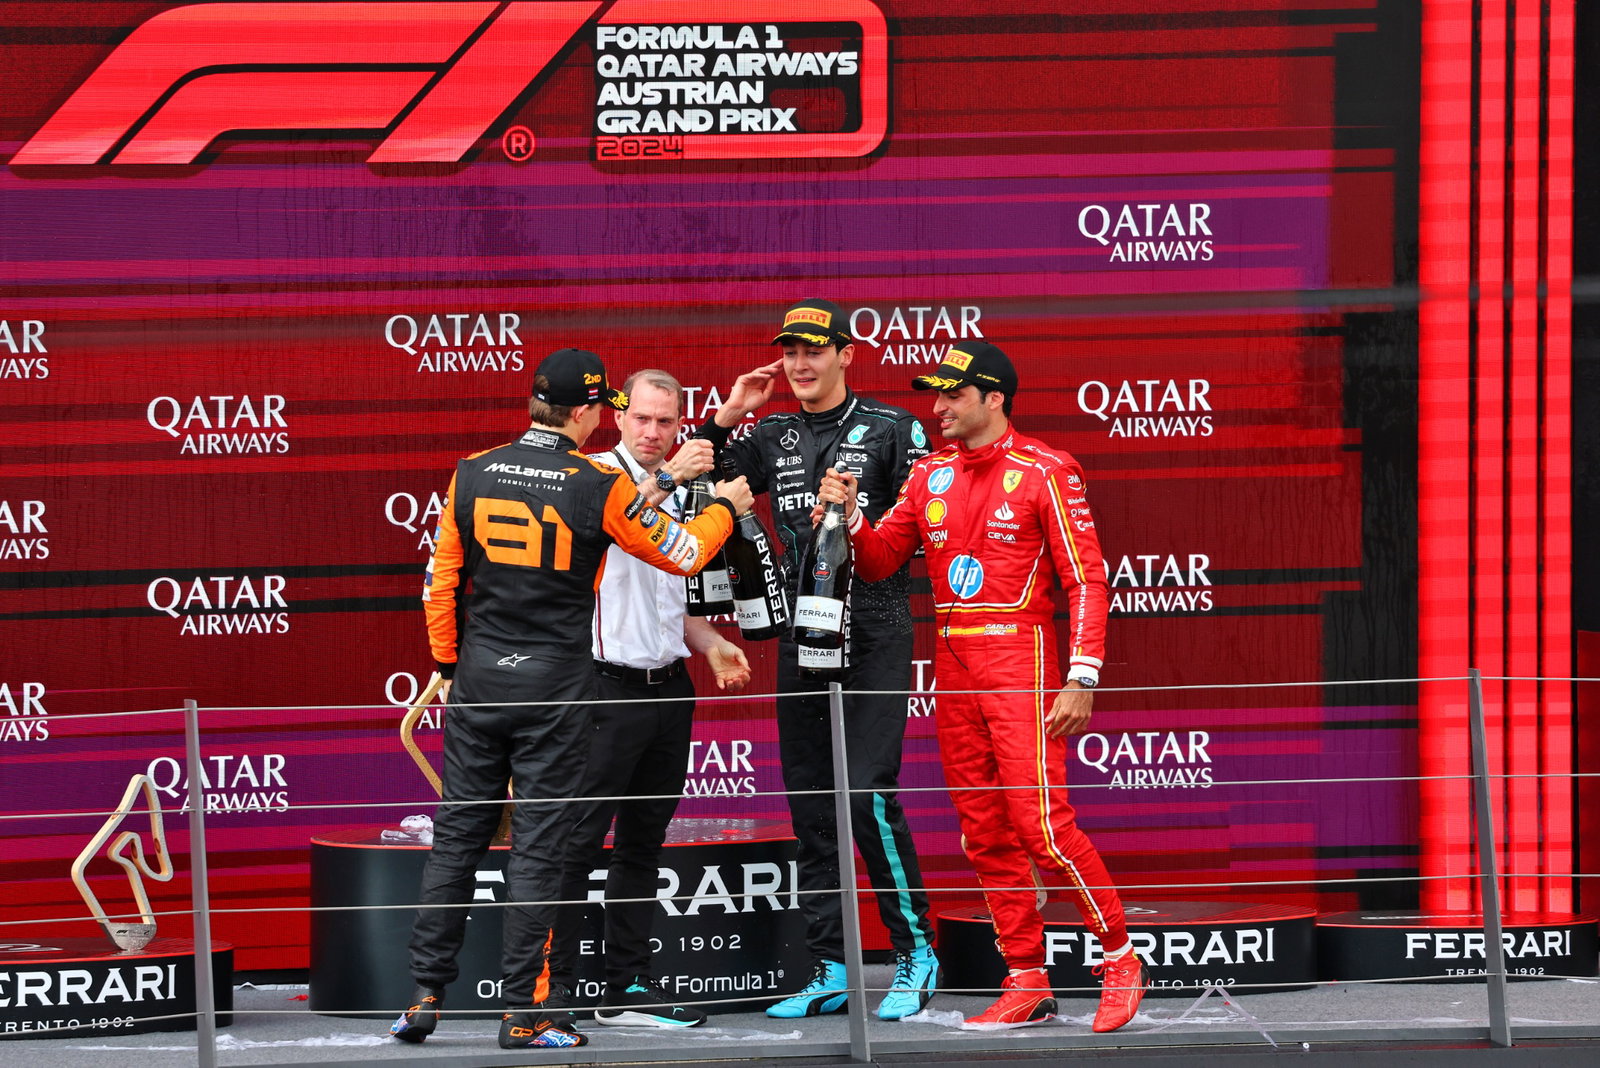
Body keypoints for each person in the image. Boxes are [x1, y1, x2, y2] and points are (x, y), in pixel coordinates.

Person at [391, 348, 752, 1051]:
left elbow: (440, 586)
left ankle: (424, 997)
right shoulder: (594, 482)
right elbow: (680, 552)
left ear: (535, 403)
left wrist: (447, 662)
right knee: (539, 849)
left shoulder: (473, 471)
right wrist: (726, 513)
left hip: (480, 684)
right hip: (557, 689)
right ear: (588, 412)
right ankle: (525, 1012)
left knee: (458, 840)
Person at [815, 340, 1149, 1033]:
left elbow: (1087, 579)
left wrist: (1082, 674)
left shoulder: (1045, 470)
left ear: (993, 398)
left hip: (1022, 657)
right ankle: (1026, 978)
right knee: (984, 833)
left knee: (1043, 828)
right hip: (955, 664)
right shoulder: (929, 475)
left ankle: (1119, 958)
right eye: (935, 396)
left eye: (952, 396)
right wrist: (847, 515)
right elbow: (878, 563)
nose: (937, 408)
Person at [696, 300, 938, 1021]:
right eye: (790, 353)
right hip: (804, 636)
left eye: (814, 351)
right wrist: (725, 414)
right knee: (811, 806)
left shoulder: (894, 428)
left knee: (865, 793)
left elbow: (930, 523)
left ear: (845, 354)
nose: (800, 364)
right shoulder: (771, 433)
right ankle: (832, 964)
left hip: (875, 631)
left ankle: (915, 952)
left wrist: (862, 516)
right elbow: (699, 482)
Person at [548, 369, 752, 1028]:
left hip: (669, 686)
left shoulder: (677, 487)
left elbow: (667, 590)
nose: (654, 433)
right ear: (617, 417)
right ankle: (557, 993)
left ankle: (625, 988)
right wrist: (672, 479)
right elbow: (615, 529)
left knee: (642, 844)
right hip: (605, 689)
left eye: (666, 422)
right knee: (577, 845)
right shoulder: (592, 477)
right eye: (643, 419)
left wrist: (707, 639)